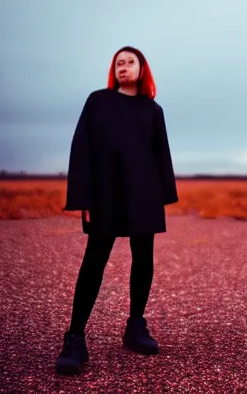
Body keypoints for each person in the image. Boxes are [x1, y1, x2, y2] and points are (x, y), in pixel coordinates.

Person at [55, 46, 179, 375]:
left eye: (130, 62)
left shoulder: (153, 110)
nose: (124, 67)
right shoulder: (98, 101)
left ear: (142, 68)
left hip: (143, 193)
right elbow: (81, 148)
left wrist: (163, 197)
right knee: (94, 260)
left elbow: (160, 153)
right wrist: (83, 198)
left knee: (143, 257)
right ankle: (75, 338)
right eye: (119, 63)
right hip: (104, 194)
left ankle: (135, 327)